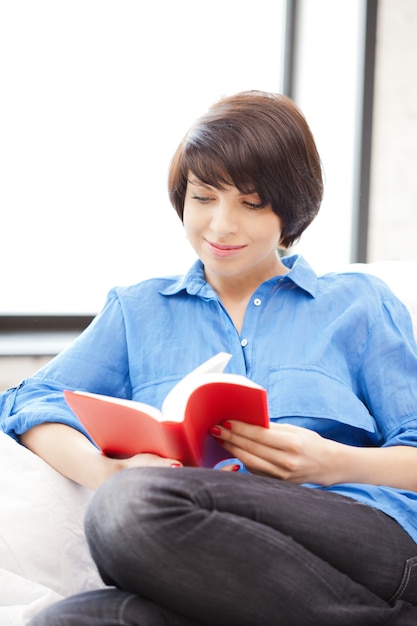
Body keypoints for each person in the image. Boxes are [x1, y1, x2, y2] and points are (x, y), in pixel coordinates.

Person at [2, 90, 417, 625]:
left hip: (359, 531)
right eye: (203, 198)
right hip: (216, 557)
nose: (221, 226)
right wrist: (111, 471)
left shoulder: (358, 302)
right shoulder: (138, 311)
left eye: (251, 203)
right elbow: (28, 400)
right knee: (69, 618)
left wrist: (332, 461)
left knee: (133, 508)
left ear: (291, 209)